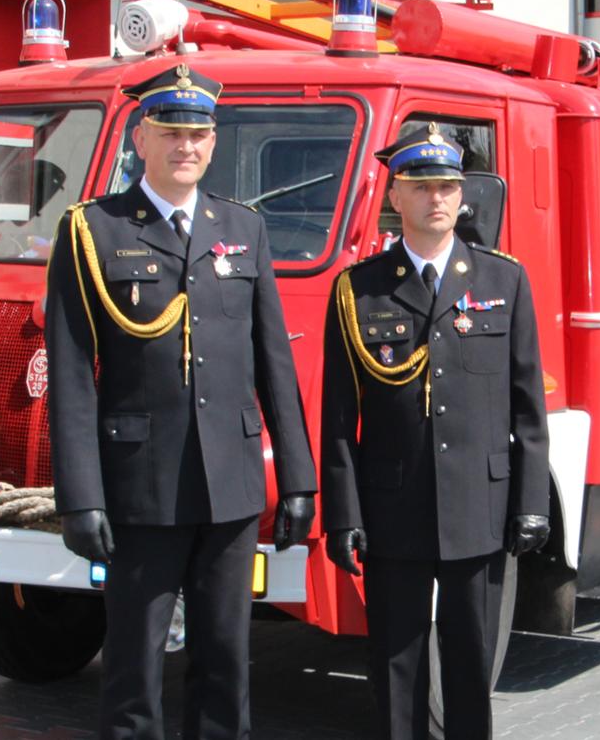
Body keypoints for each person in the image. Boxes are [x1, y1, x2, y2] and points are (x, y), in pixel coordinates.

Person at [45, 63, 317, 740]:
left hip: (229, 484)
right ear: (141, 137)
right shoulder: (93, 231)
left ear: (213, 143)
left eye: (198, 134)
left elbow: (273, 363)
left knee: (226, 663)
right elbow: (73, 375)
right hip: (142, 485)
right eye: (170, 132)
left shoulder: (243, 229)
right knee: (134, 669)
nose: (185, 146)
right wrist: (80, 497)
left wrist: (300, 480)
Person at [319, 124, 552, 740]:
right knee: (396, 666)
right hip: (393, 508)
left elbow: (528, 407)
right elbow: (340, 422)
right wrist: (344, 517)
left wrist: (530, 503)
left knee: (472, 666)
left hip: (479, 506)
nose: (437, 199)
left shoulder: (503, 282)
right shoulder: (358, 289)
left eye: (447, 185)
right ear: (396, 196)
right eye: (421, 187)